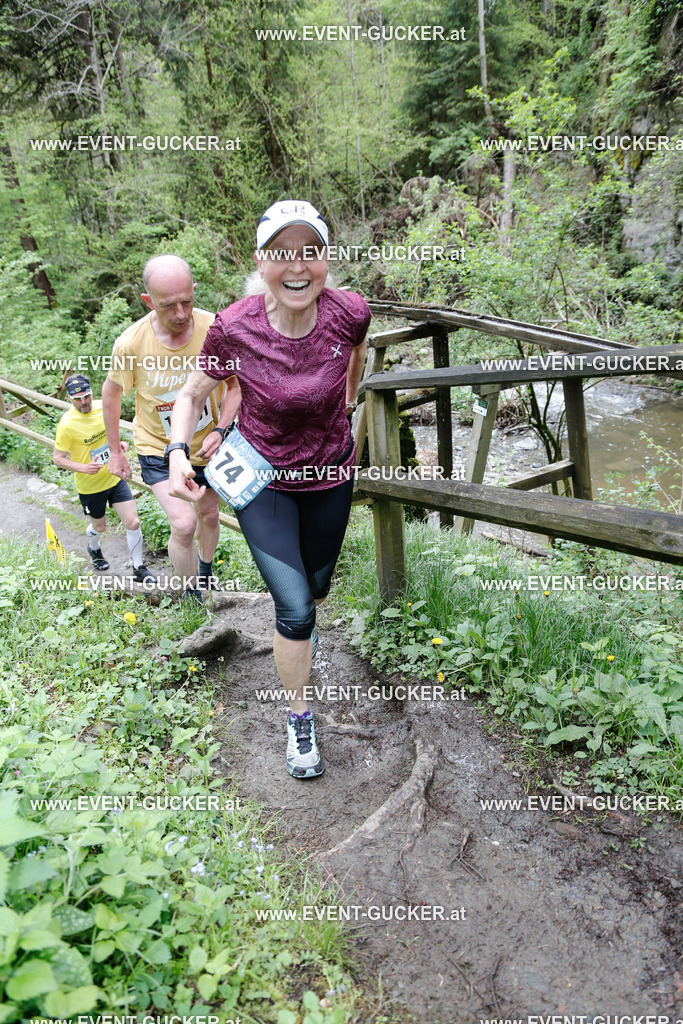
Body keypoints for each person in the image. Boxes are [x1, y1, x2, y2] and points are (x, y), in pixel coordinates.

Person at [167, 200, 370, 778]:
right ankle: (299, 719)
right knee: (297, 608)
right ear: (263, 262)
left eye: (311, 251)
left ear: (326, 260)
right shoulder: (235, 325)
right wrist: (179, 450)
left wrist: (349, 400)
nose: (298, 265)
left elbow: (356, 355)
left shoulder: (350, 312)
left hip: (330, 474)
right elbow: (188, 395)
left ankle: (299, 650)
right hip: (264, 479)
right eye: (283, 253)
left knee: (318, 589)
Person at [101, 255, 235, 601]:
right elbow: (111, 394)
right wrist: (115, 450)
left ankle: (204, 575)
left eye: (186, 301)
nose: (180, 313)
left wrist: (221, 429)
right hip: (157, 447)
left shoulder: (215, 328)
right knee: (184, 523)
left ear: (194, 290)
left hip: (207, 444)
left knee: (207, 514)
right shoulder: (131, 343)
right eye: (168, 305)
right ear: (148, 301)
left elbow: (237, 387)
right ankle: (190, 594)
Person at [53, 374, 155, 581]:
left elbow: (111, 436)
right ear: (70, 399)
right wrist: (83, 467)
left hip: (114, 478)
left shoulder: (104, 407)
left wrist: (118, 447)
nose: (83, 402)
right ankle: (94, 549)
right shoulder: (66, 425)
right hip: (90, 486)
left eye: (86, 396)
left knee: (133, 522)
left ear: (93, 392)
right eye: (77, 398)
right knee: (100, 526)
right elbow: (58, 459)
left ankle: (139, 567)